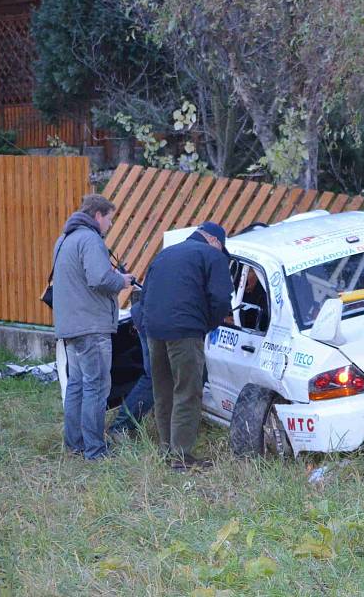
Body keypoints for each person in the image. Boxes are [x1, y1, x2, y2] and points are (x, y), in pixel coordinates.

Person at [142, 221, 233, 471]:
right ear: (215, 241)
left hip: (154, 331)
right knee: (187, 391)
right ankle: (181, 457)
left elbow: (145, 293)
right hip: (185, 330)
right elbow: (222, 298)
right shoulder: (213, 256)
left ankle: (166, 448)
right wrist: (209, 324)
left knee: (163, 392)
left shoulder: (165, 254)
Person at [53, 194, 133, 460]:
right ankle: (96, 450)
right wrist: (122, 280)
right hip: (91, 326)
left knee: (77, 384)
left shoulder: (64, 239)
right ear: (98, 215)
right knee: (96, 387)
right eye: (109, 219)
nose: (110, 225)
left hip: (70, 326)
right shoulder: (89, 239)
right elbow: (99, 278)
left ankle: (75, 444)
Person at [108, 300, 154, 439]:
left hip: (150, 314)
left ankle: (122, 426)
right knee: (154, 377)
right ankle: (120, 427)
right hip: (155, 317)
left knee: (155, 377)